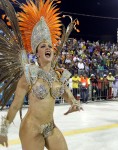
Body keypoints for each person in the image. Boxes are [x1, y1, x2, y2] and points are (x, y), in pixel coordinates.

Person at [0, 0, 82, 149]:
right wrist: (3, 129)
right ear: (37, 53)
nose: (48, 48)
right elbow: (15, 105)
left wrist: (73, 102)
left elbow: (65, 91)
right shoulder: (29, 76)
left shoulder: (57, 75)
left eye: (50, 46)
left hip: (50, 127)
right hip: (31, 128)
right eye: (43, 46)